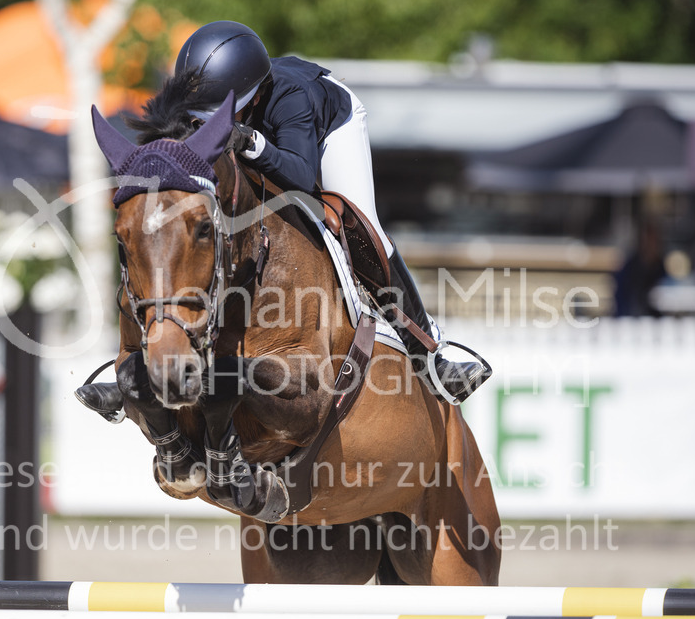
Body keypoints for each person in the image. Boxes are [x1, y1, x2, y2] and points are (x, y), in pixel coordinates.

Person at [83, 20, 487, 410]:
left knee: (365, 228)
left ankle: (430, 351)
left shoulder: (291, 97)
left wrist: (250, 142)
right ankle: (133, 354)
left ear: (255, 97)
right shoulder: (192, 103)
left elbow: (299, 175)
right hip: (263, 147)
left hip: (325, 135)